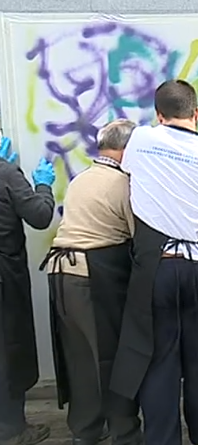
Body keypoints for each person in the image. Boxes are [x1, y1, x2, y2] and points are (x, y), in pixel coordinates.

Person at [109, 80, 198, 445]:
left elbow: (131, 181)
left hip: (156, 269)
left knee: (157, 358)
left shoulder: (140, 141)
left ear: (158, 115)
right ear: (197, 113)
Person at [39, 120, 143, 445]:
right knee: (112, 357)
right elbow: (138, 238)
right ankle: (124, 432)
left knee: (80, 357)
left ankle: (85, 430)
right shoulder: (123, 184)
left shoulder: (79, 180)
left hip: (61, 276)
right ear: (127, 150)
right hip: (94, 278)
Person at [0, 136, 56, 445]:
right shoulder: (6, 173)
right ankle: (12, 430)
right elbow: (40, 215)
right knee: (9, 352)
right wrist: (43, 185)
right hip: (4, 279)